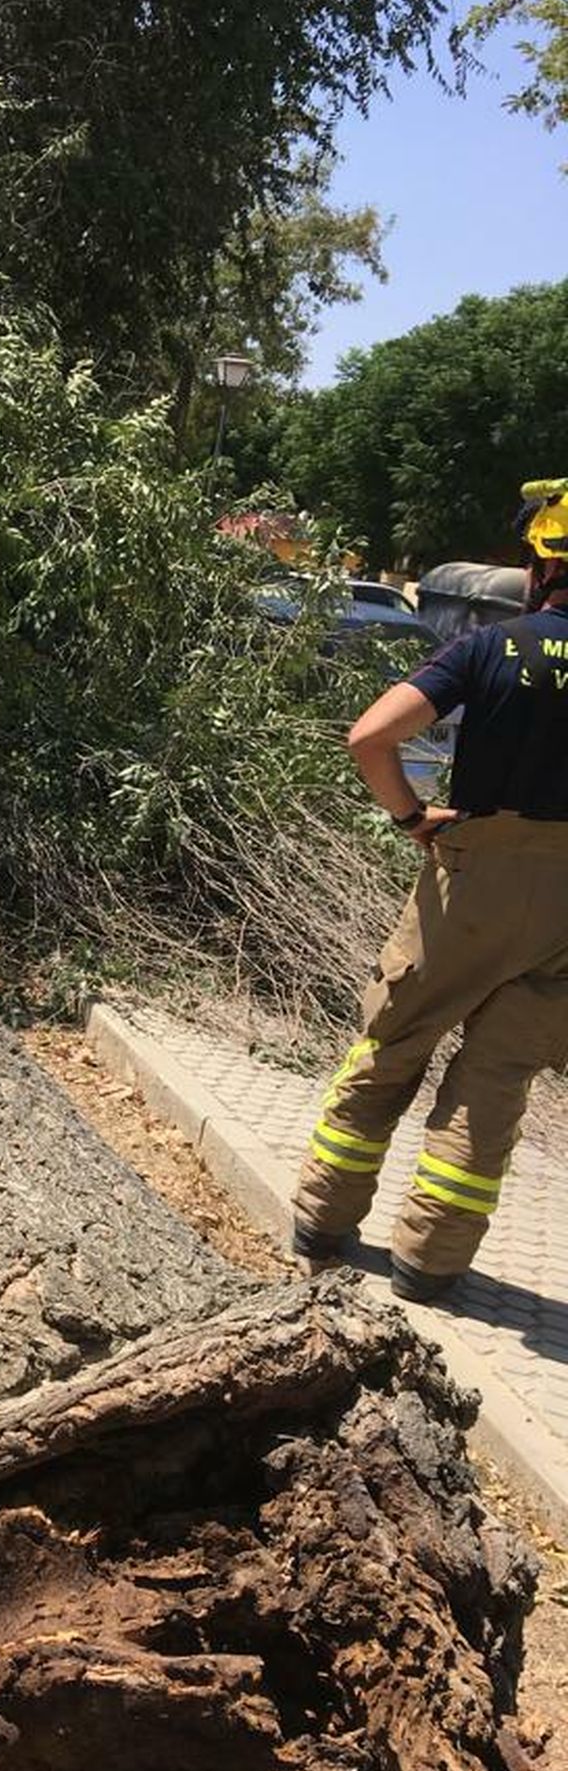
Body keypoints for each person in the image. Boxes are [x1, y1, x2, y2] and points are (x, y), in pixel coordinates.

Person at [292, 479, 568, 1300]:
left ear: (537, 564)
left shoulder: (493, 647)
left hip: (472, 882)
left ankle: (323, 1221)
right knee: (496, 1083)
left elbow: (371, 736)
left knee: (394, 1041)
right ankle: (431, 1265)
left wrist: (415, 818)